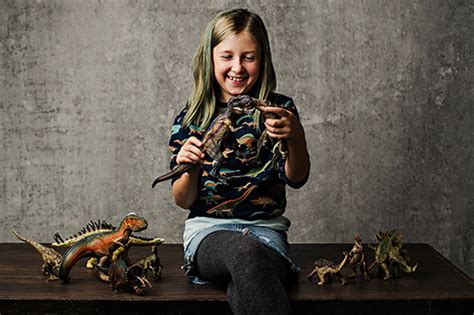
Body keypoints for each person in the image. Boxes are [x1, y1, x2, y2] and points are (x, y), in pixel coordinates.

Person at [166, 8, 310, 314]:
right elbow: (183, 199)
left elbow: (297, 177)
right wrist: (189, 168)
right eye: (227, 56)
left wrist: (295, 135)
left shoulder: (278, 109)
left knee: (245, 281)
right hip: (208, 234)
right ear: (211, 58)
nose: (238, 67)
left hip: (267, 234)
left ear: (263, 58)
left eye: (248, 57)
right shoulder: (192, 117)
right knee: (244, 254)